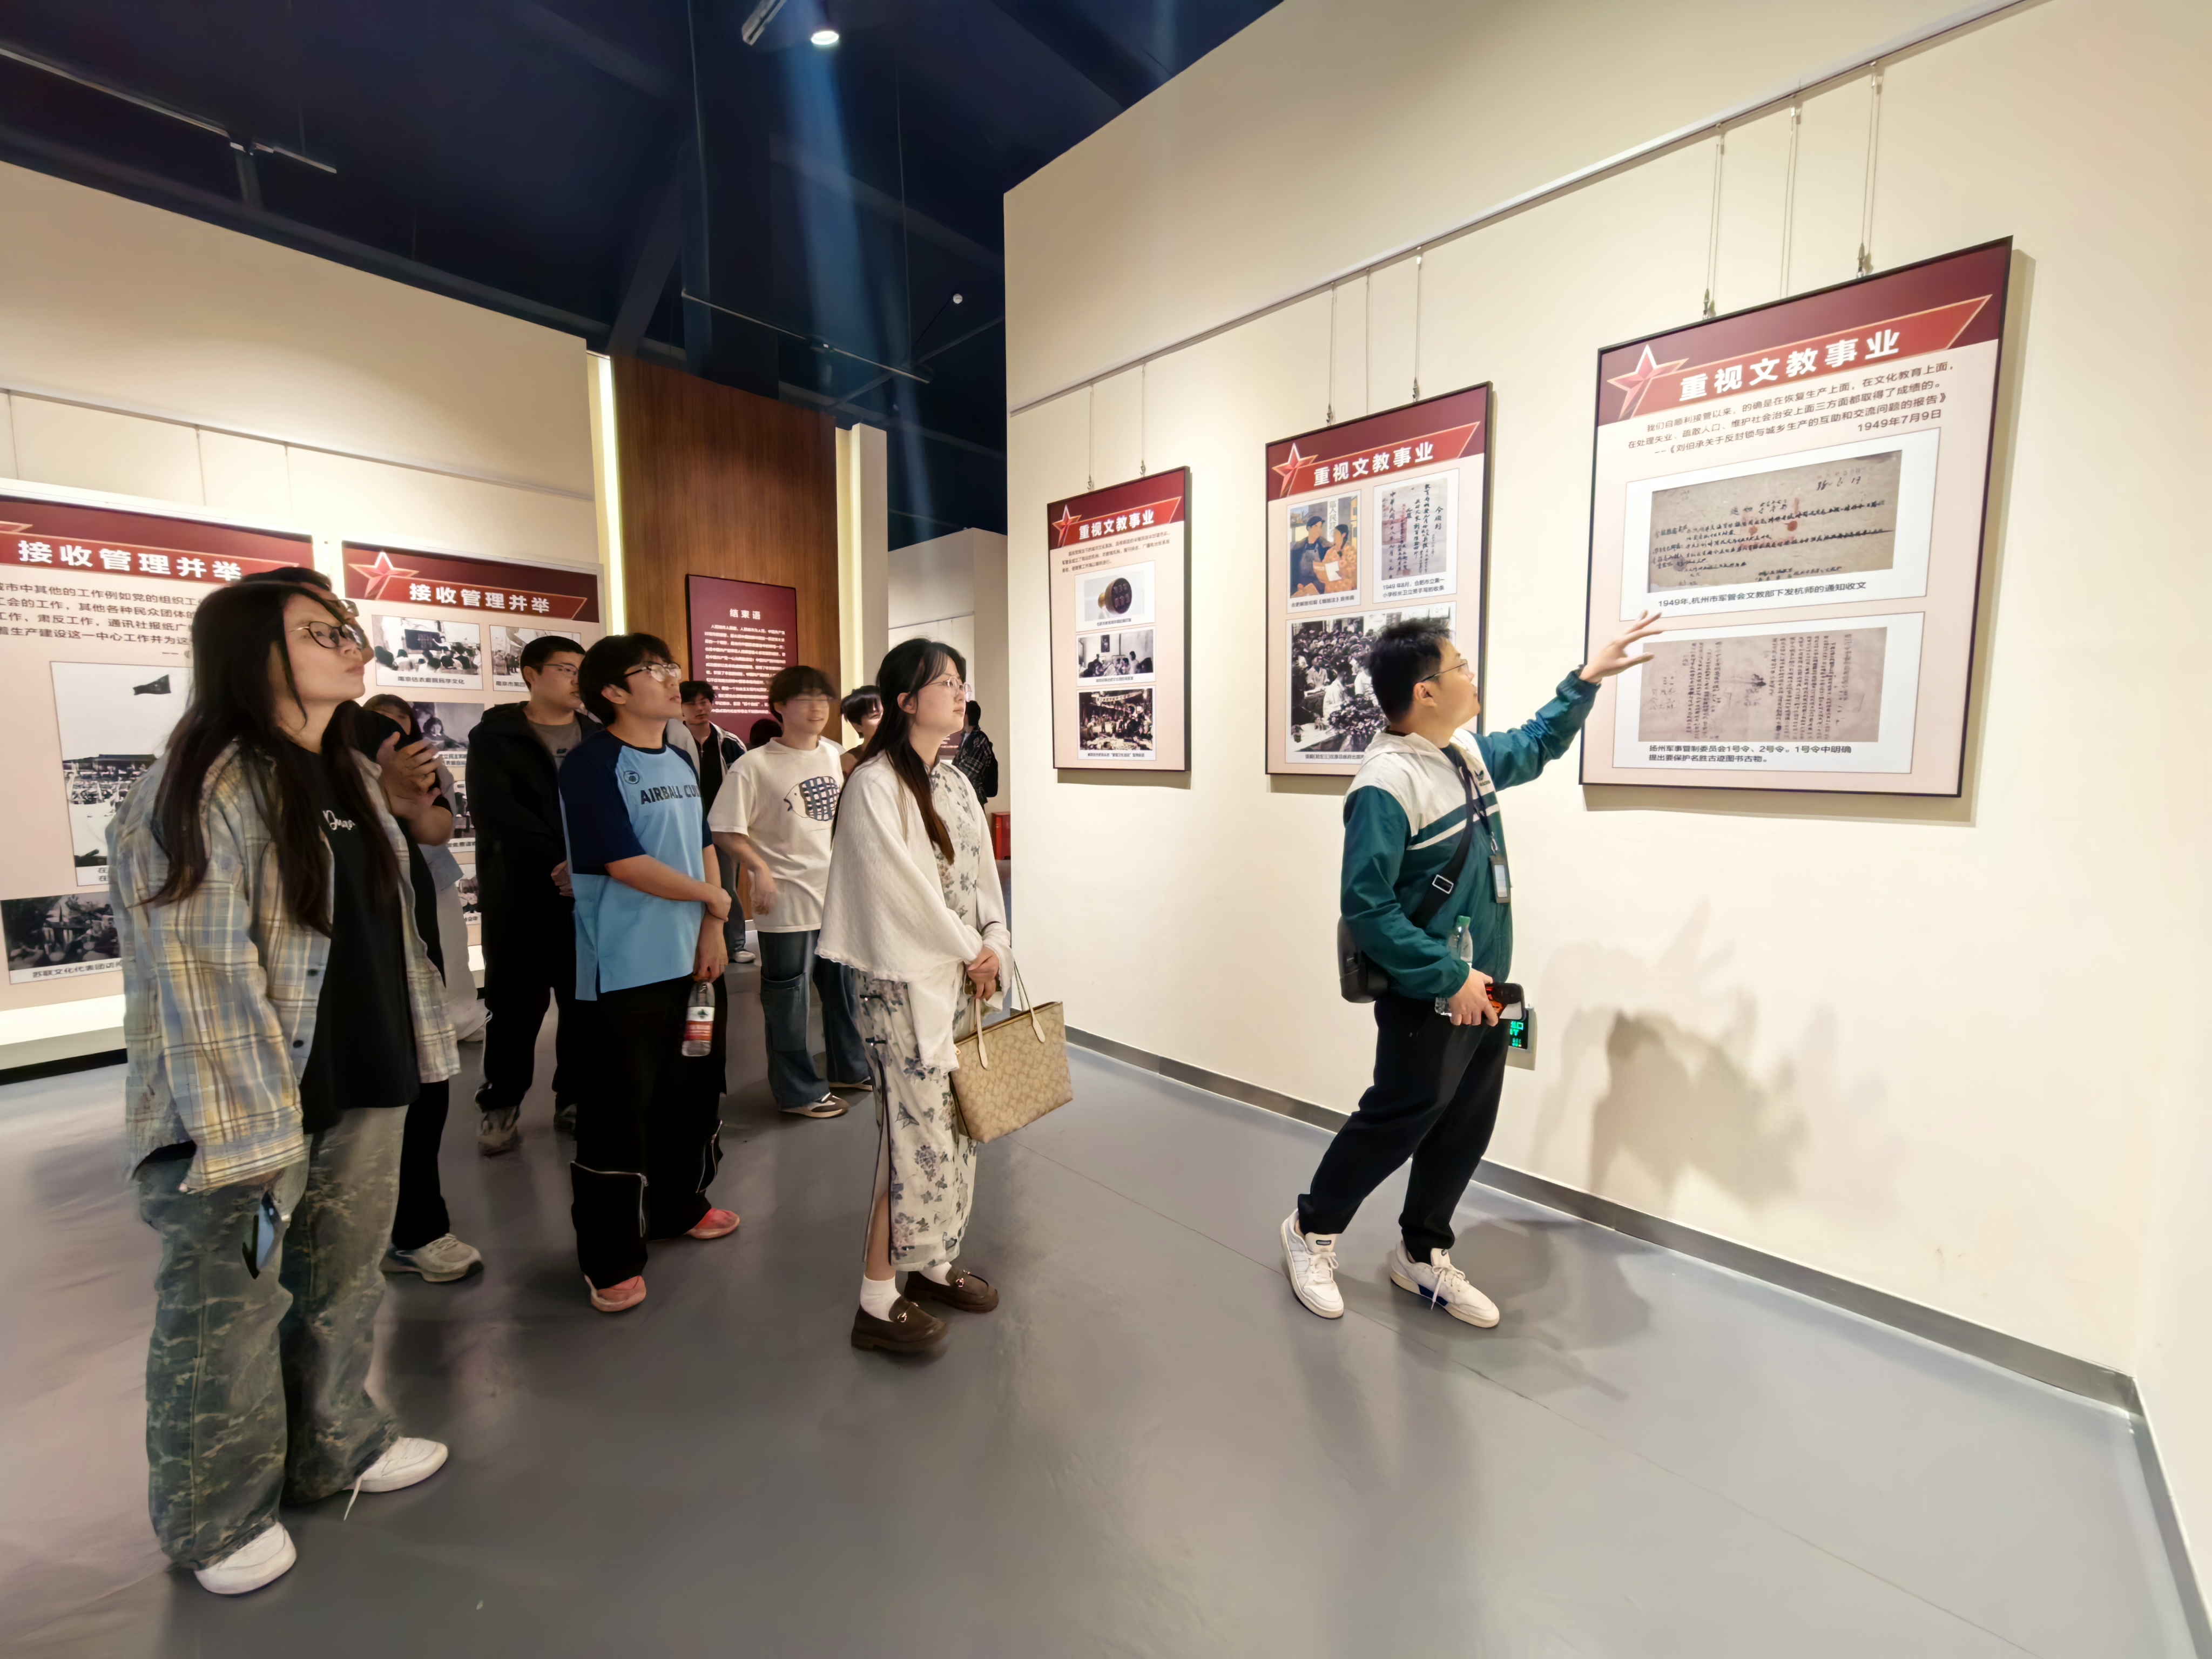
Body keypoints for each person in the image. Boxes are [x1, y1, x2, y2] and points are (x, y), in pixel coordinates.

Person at [110, 582, 458, 1596]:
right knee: (227, 1312)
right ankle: (215, 1518)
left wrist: (417, 1050)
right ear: (249, 650)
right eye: (322, 632)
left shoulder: (345, 770)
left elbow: (386, 933)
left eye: (350, 630)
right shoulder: (202, 785)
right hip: (244, 1113)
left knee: (343, 1283)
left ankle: (335, 1445)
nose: (353, 647)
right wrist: (254, 1139)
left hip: (362, 1079)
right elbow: (202, 976)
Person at [1282, 611, 1664, 1327]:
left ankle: (1422, 1251)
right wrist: (1447, 977)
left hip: (1486, 986)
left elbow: (1536, 743)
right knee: (1395, 1121)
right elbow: (1367, 907)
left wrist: (1583, 681)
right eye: (1459, 666)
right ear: (1425, 691)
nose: (1471, 674)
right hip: (1430, 991)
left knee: (1464, 1124)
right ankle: (1311, 1229)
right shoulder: (1386, 783)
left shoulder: (1462, 755)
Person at [820, 638, 1012, 1354]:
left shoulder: (955, 782)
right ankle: (876, 1301)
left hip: (960, 981)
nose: (960, 694)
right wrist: (972, 953)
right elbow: (901, 896)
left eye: (962, 682)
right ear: (904, 701)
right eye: (945, 684)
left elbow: (982, 881)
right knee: (915, 1138)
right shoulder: (875, 786)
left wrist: (997, 943)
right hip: (905, 991)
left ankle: (931, 1263)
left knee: (959, 1130)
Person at [558, 634, 736, 1314]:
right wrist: (711, 898)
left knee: (691, 1090)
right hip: (625, 971)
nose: (671, 678)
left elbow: (703, 844)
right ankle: (609, 1257)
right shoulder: (591, 764)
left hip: (694, 962)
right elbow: (624, 864)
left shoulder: (680, 757)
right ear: (612, 691)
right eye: (653, 669)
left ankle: (679, 1206)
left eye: (670, 666)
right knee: (618, 1110)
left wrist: (713, 924)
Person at [355, 694, 485, 1285]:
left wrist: (402, 799)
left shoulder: (375, 735)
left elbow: (434, 824)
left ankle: (417, 1230)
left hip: (407, 922)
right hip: (336, 951)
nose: (353, 652)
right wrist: (378, 794)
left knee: (426, 1084)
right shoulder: (257, 756)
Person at [710, 665, 867, 1120]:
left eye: (823, 698)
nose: (817, 707)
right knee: (788, 1003)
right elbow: (725, 829)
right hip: (786, 904)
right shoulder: (753, 765)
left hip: (835, 899)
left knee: (843, 993)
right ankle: (798, 1091)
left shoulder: (833, 754)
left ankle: (849, 1068)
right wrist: (758, 868)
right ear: (779, 706)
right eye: (804, 698)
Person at [468, 636, 596, 1152]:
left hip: (588, 891)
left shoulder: (598, 735)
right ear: (530, 674)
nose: (576, 680)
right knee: (515, 1005)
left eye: (582, 670)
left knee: (583, 1000)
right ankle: (501, 1102)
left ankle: (575, 1097)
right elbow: (497, 811)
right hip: (519, 892)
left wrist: (586, 866)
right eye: (565, 669)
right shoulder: (495, 736)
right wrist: (557, 864)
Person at [363, 694, 484, 1044]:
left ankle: (461, 1018)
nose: (392, 724)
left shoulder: (431, 764)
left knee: (449, 946)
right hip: (377, 872)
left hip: (432, 869)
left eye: (400, 717)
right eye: (382, 716)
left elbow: (440, 825)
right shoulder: (351, 764)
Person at [669, 679, 753, 967]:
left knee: (726, 886)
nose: (699, 708)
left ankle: (735, 944)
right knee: (686, 884)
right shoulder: (671, 741)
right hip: (684, 826)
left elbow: (747, 786)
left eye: (704, 702)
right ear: (681, 707)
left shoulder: (729, 743)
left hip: (721, 828)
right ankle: (692, 945)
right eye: (691, 703)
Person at [953, 700, 999, 806]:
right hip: (963, 798)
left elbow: (966, 773)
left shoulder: (979, 741)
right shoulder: (966, 737)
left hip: (974, 800)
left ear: (967, 717)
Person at [840, 686, 881, 780]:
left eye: (888, 713)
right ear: (857, 726)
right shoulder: (850, 762)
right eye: (875, 716)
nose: (885, 720)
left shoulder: (905, 753)